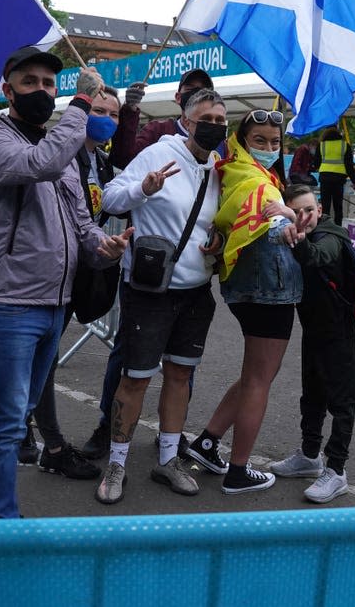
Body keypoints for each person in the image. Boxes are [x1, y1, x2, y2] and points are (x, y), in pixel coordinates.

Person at [0, 45, 132, 519]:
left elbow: (81, 225)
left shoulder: (60, 150)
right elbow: (42, 164)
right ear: (7, 89)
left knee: (19, 415)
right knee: (9, 420)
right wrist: (80, 105)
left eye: (49, 84)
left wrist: (106, 248)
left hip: (54, 305)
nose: (42, 90)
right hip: (7, 304)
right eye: (30, 81)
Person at [94, 90, 227, 504]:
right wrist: (144, 190)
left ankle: (168, 459)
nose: (215, 126)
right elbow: (111, 195)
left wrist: (219, 241)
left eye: (222, 121)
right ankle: (116, 463)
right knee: (135, 379)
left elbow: (219, 220)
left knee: (180, 377)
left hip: (196, 292)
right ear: (185, 122)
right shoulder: (157, 153)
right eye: (206, 118)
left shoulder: (220, 169)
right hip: (150, 292)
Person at [186, 109, 306, 494]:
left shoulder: (233, 169)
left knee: (255, 375)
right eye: (261, 141)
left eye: (275, 142)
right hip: (269, 289)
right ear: (241, 139)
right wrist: (289, 217)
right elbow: (272, 220)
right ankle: (238, 470)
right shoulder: (258, 182)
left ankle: (207, 442)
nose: (270, 148)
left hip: (244, 287)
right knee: (260, 380)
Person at [18, 86, 122, 480]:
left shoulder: (100, 157)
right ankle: (38, 437)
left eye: (113, 114)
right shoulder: (64, 152)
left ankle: (36, 433)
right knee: (41, 357)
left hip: (81, 265)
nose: (107, 119)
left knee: (45, 357)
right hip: (54, 269)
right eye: (99, 109)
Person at [268, 184, 355, 503]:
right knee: (313, 395)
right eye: (297, 211)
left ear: (320, 209)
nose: (304, 217)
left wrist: (299, 235)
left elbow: (320, 256)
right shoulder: (298, 231)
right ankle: (309, 456)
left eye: (308, 210)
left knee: (342, 401)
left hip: (338, 331)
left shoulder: (332, 235)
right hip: (314, 329)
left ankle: (337, 470)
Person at [108, 68, 214, 169]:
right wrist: (129, 109)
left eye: (203, 91)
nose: (197, 95)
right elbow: (124, 159)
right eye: (190, 89)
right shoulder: (158, 131)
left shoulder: (217, 139)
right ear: (178, 97)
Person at [316, 126, 355, 226]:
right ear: (338, 132)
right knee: (338, 206)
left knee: (325, 206)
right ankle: (338, 228)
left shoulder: (321, 145)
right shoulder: (344, 145)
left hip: (325, 178)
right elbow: (349, 166)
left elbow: (316, 162)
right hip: (339, 179)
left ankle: (324, 227)